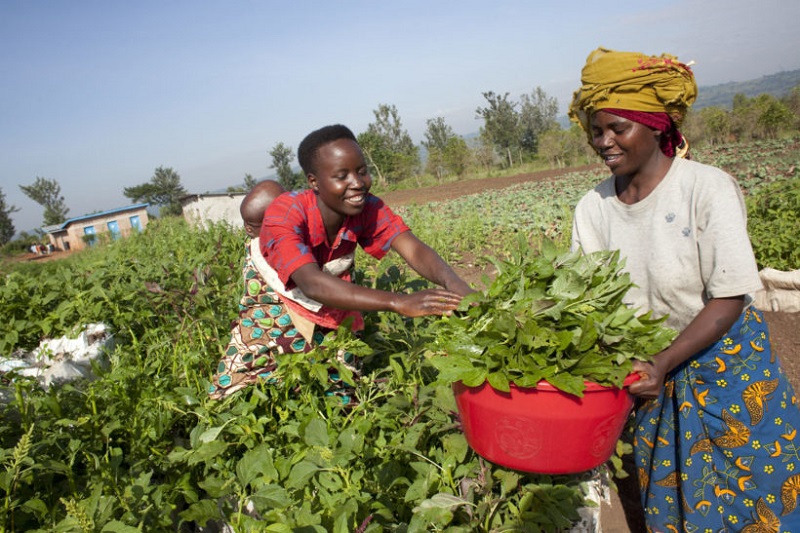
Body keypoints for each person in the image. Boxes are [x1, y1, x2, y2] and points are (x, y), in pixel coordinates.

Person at [569, 47, 800, 531]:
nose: (604, 142)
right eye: (596, 131)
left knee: (760, 494)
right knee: (670, 503)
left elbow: (730, 296)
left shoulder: (706, 188)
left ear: (656, 126)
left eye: (617, 128)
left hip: (726, 369)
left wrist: (665, 360)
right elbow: (583, 299)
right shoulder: (593, 209)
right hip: (647, 377)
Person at [209, 125, 473, 401]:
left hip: (330, 288)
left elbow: (413, 248)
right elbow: (311, 283)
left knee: (339, 387)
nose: (357, 183)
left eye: (361, 171)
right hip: (278, 288)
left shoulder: (367, 208)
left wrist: (456, 285)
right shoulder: (285, 214)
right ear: (314, 182)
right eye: (341, 176)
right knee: (248, 384)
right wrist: (398, 302)